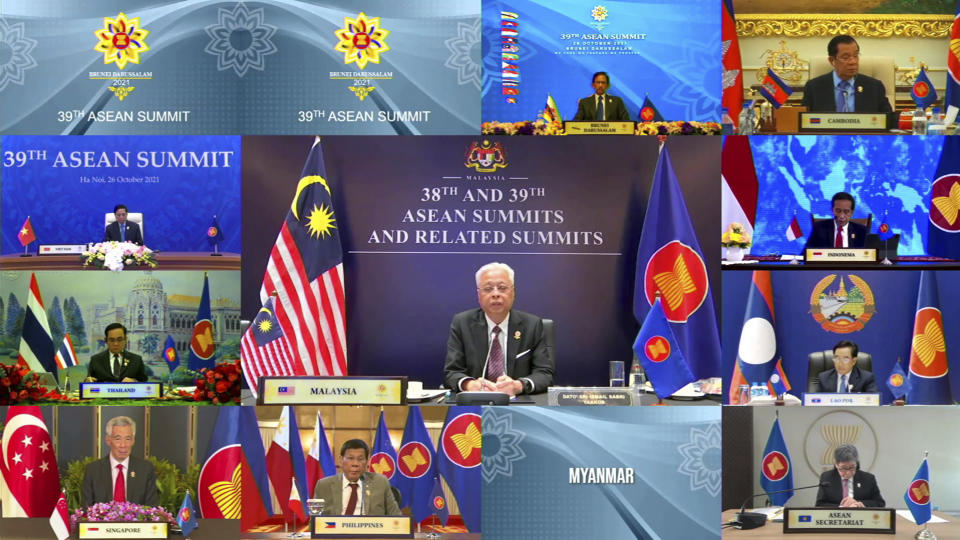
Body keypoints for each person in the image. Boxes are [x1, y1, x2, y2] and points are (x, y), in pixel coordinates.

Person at [444, 262, 554, 396]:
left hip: (518, 403)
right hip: (476, 403)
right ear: (479, 294)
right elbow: (452, 372)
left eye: (502, 288)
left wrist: (518, 386)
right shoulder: (462, 323)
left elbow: (544, 374)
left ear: (513, 292)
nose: (495, 294)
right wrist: (470, 384)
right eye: (488, 288)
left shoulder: (532, 325)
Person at [801, 35, 893, 113]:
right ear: (832, 60)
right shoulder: (813, 87)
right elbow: (804, 121)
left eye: (856, 56)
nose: (853, 62)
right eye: (845, 57)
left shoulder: (874, 87)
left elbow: (888, 119)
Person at [81, 416, 159, 508]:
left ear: (133, 440)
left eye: (128, 439)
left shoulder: (145, 469)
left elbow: (151, 508)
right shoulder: (93, 470)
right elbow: (86, 509)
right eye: (118, 439)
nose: (123, 445)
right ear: (108, 440)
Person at [313, 439, 401, 516]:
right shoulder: (324, 485)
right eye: (350, 458)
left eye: (360, 459)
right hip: (336, 533)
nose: (355, 464)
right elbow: (314, 522)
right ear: (340, 460)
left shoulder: (380, 482)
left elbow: (397, 518)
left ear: (367, 462)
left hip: (371, 533)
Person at [815, 444, 885, 508]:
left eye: (852, 467)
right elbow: (819, 504)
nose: (848, 472)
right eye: (843, 468)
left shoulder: (868, 479)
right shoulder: (827, 478)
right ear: (836, 464)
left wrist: (859, 504)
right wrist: (841, 507)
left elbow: (880, 503)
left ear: (856, 463)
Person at [803, 192, 868, 251]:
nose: (842, 216)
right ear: (832, 210)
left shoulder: (861, 231)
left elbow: (870, 257)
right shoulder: (819, 228)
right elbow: (806, 254)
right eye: (838, 211)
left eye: (846, 211)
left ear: (852, 212)